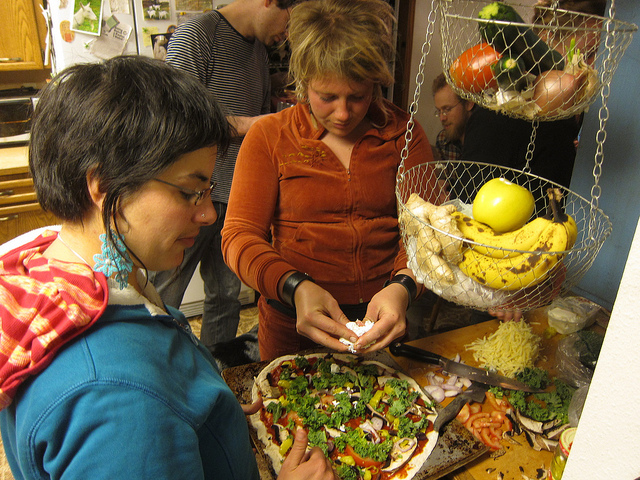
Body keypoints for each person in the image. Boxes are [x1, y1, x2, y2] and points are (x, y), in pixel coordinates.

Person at [0, 56, 335, 480]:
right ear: (104, 186)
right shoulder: (118, 404)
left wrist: (212, 412)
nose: (208, 214)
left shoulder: (59, 264)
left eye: (208, 189)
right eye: (189, 191)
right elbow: (141, 416)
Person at [221, 0, 439, 361]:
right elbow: (238, 237)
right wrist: (294, 286)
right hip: (292, 326)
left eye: (358, 97)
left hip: (381, 324)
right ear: (304, 81)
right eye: (327, 97)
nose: (342, 113)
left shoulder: (404, 135)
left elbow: (428, 232)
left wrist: (403, 285)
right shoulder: (270, 137)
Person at [151, 0, 301, 351]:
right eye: (288, 20)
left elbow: (251, 119)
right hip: (189, 196)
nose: (287, 33)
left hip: (236, 197)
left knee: (226, 296)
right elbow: (175, 117)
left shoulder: (258, 51)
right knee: (162, 295)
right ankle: (155, 369)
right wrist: (255, 124)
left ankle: (214, 367)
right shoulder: (196, 35)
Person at [432, 72, 474, 161]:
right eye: (439, 111)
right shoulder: (443, 141)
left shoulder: (483, 139)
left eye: (447, 109)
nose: (442, 118)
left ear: (469, 103)